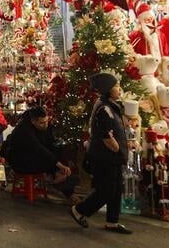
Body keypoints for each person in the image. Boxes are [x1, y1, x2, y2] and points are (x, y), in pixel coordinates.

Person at [70, 73, 132, 235]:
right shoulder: (104, 109)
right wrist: (117, 147)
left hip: (113, 158)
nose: (119, 89)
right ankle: (79, 210)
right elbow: (105, 134)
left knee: (116, 189)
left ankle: (112, 221)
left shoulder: (110, 105)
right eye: (116, 86)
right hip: (105, 158)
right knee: (106, 191)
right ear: (107, 90)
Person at [2, 105, 78, 198]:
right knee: (47, 158)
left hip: (36, 156)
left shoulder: (45, 125)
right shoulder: (23, 129)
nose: (45, 125)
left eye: (47, 121)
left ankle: (59, 179)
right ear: (33, 121)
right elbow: (37, 148)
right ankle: (55, 178)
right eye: (42, 123)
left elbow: (51, 143)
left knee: (57, 150)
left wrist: (61, 160)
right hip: (20, 160)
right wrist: (58, 164)